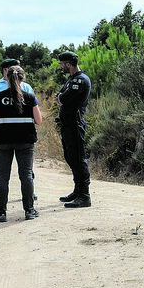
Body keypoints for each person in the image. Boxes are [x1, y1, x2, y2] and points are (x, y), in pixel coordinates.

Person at [0, 65, 42, 222]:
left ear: (7, 78)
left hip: (2, 141)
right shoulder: (30, 97)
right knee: (26, 175)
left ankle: (1, 212)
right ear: (23, 78)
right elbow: (38, 120)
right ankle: (29, 210)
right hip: (25, 141)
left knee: (2, 176)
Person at [55, 51, 92, 208]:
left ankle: (84, 195)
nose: (61, 66)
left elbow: (62, 98)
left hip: (75, 123)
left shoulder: (80, 80)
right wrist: (61, 98)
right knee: (70, 157)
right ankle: (77, 191)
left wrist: (61, 98)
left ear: (68, 64)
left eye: (62, 63)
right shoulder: (71, 79)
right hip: (67, 123)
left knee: (78, 157)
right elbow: (59, 97)